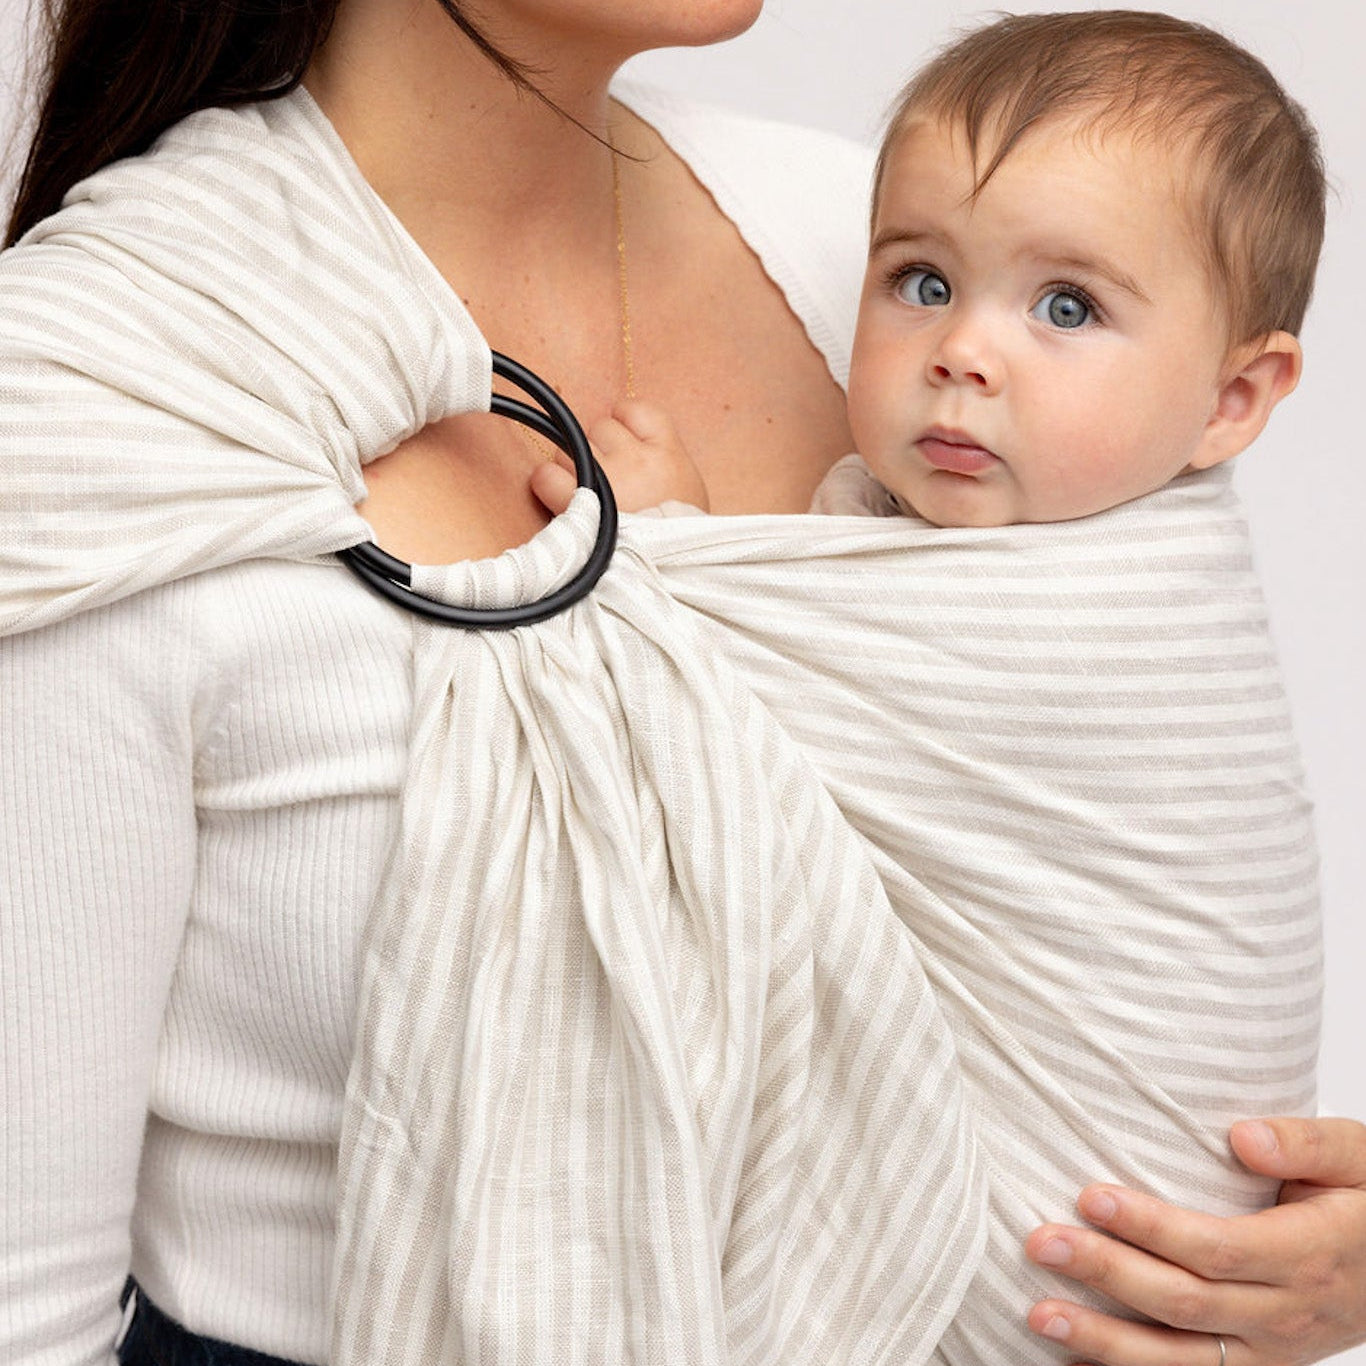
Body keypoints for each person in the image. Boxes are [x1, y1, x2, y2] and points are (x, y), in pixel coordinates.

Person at [1, 2, 1364, 1364]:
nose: (961, 335)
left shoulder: (867, 231)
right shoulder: (98, 394)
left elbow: (1105, 862)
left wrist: (1278, 1249)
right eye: (930, 288)